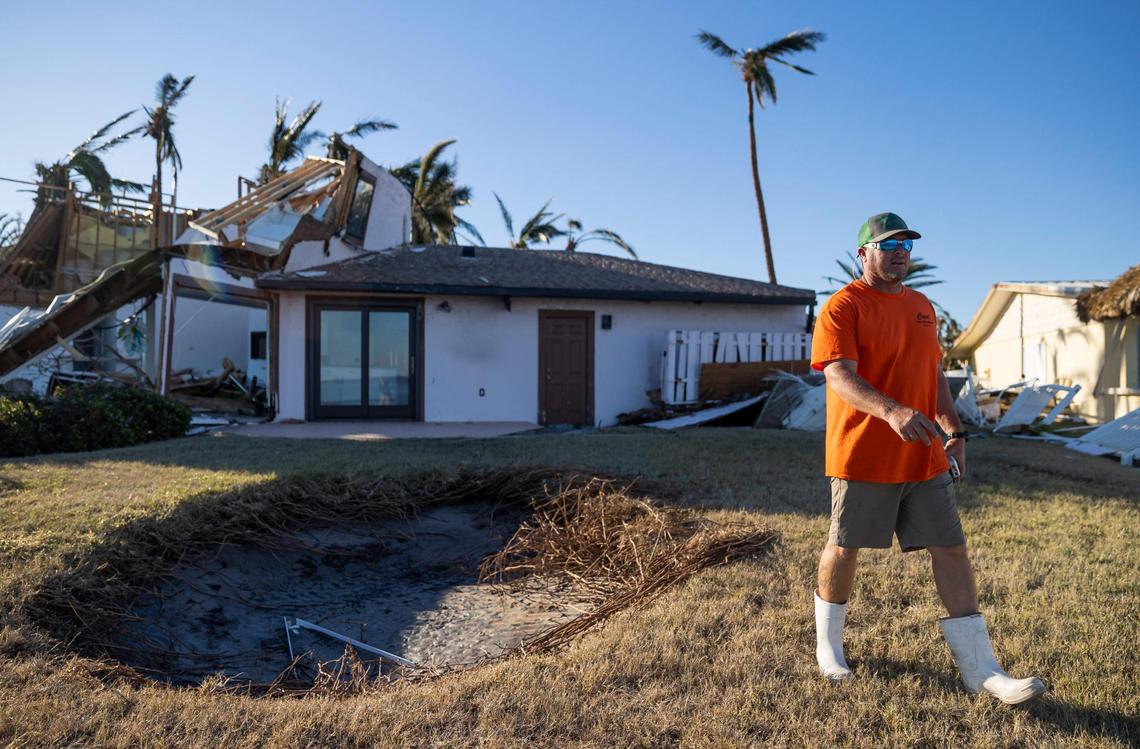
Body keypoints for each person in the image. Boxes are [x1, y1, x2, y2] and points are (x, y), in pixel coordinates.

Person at [809, 212, 1045, 705]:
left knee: (951, 548)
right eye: (888, 244)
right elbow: (838, 376)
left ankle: (982, 670)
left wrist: (954, 431)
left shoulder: (921, 306)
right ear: (864, 253)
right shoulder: (842, 307)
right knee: (845, 547)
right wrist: (892, 411)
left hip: (926, 456)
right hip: (864, 455)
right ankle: (828, 648)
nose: (899, 252)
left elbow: (932, 373)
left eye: (906, 245)